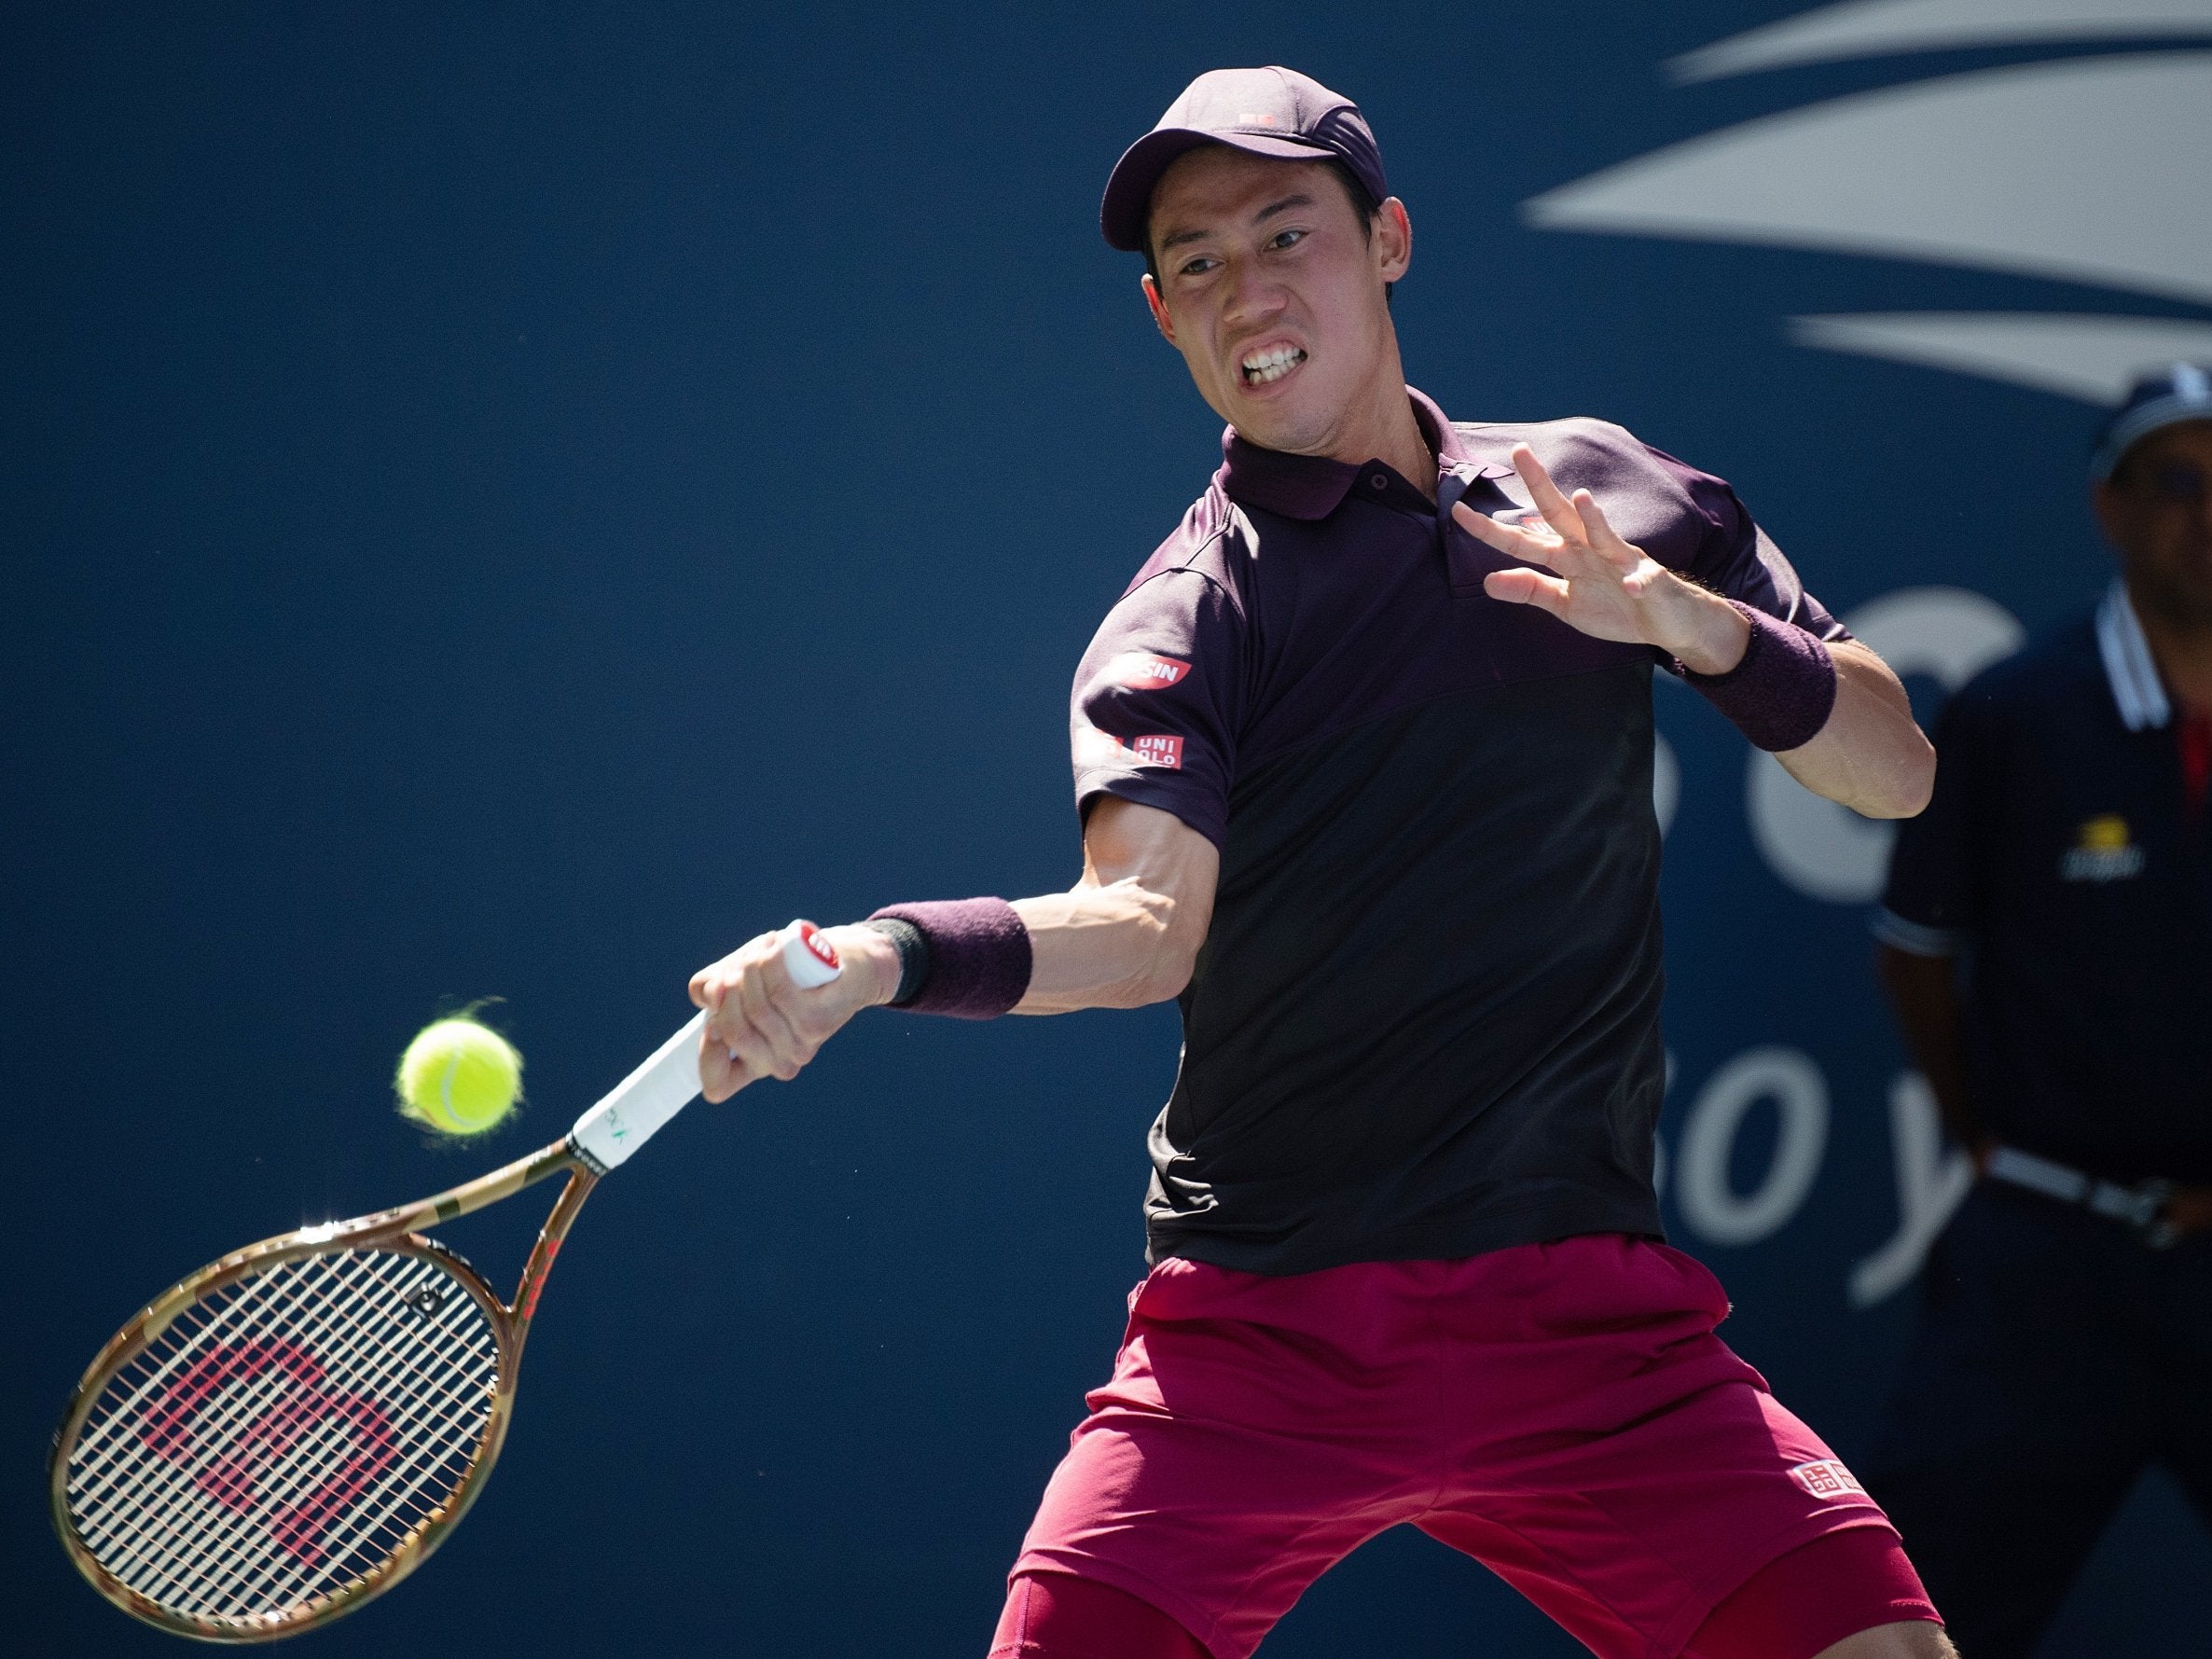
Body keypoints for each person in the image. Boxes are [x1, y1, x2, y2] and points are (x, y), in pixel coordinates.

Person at [688, 67, 1947, 1659]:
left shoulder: (1606, 497)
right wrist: (884, 956)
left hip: (1589, 1324)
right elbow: (1146, 930)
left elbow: (1893, 771)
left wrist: (1689, 627)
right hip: (1266, 1332)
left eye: (1289, 233)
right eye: (1196, 264)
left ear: (1391, 240)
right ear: (1161, 315)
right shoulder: (1186, 617)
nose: (1247, 292)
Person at [1865, 363, 2212, 1658]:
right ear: (2110, 507)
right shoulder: (2017, 713)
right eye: (2175, 481)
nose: (2208, 512)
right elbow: (1914, 958)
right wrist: (1991, 1140)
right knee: (1898, 1621)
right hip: (2049, 1269)